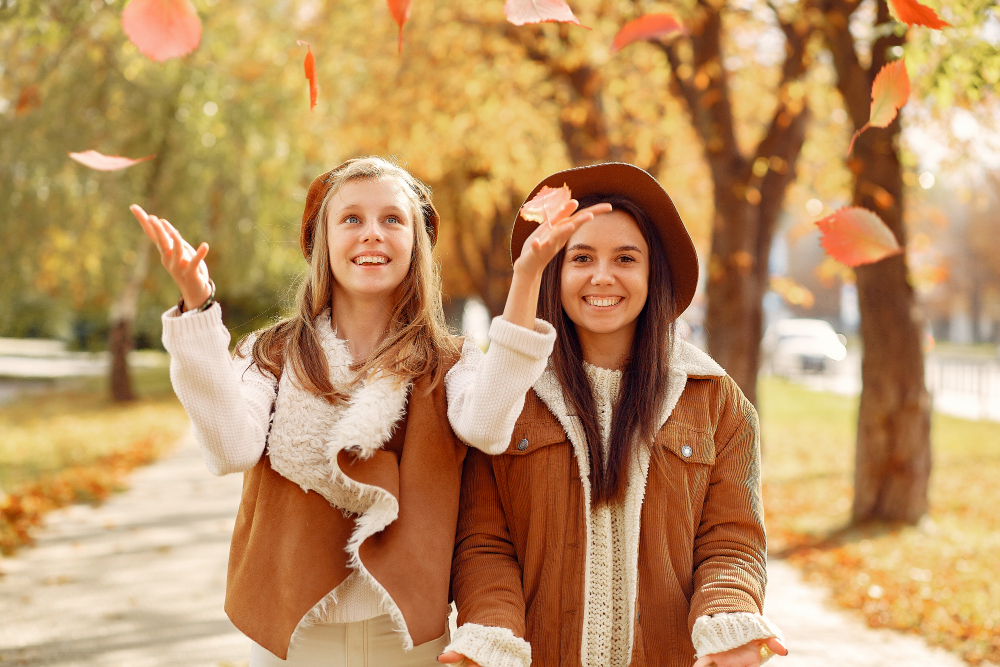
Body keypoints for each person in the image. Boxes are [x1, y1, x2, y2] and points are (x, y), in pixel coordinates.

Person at [131, 156, 609, 667]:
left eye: (392, 219)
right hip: (289, 640)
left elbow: (487, 426)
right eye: (351, 219)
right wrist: (198, 308)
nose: (372, 234)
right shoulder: (271, 355)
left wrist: (527, 276)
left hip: (409, 641)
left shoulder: (450, 362)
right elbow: (230, 449)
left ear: (416, 243)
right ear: (323, 241)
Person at [437, 163, 789, 667]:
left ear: (653, 273)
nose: (603, 276)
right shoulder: (506, 398)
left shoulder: (715, 400)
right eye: (581, 257)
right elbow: (485, 545)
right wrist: (491, 638)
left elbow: (731, 541)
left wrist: (727, 620)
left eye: (626, 258)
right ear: (555, 272)